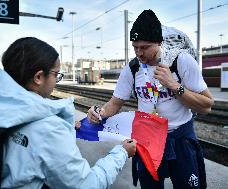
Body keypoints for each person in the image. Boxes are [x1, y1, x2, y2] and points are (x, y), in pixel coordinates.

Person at [0, 37, 137, 188]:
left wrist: (64, 127)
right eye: (56, 74)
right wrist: (121, 153)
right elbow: (87, 184)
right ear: (39, 77)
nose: (57, 81)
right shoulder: (48, 128)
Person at [87, 10, 214, 189]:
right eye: (135, 47)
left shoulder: (181, 62)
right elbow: (114, 103)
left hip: (180, 138)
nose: (139, 53)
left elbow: (207, 105)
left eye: (145, 47)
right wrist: (99, 112)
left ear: (159, 42)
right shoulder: (132, 68)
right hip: (148, 141)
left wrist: (173, 85)